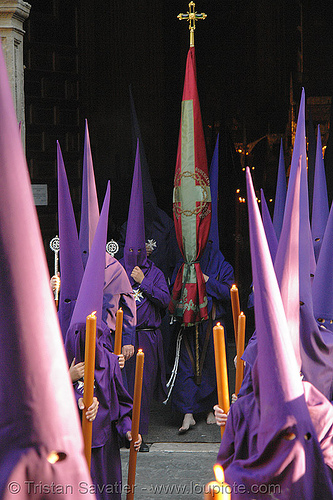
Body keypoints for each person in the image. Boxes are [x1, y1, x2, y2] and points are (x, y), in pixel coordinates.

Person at [169, 240, 234, 433]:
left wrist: (206, 280)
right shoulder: (184, 264)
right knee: (186, 364)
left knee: (212, 366)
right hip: (189, 322)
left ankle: (210, 408)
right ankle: (187, 413)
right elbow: (174, 288)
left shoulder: (222, 266)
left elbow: (229, 292)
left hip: (213, 324)